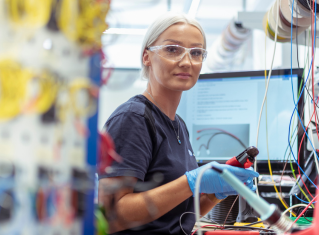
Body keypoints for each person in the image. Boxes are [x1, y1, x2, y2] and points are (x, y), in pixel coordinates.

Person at [98, 12, 259, 235]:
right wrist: (192, 182)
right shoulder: (133, 118)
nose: (186, 62)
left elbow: (180, 214)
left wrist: (216, 192)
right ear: (147, 56)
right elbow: (112, 216)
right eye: (172, 49)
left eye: (196, 52)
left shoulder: (178, 125)